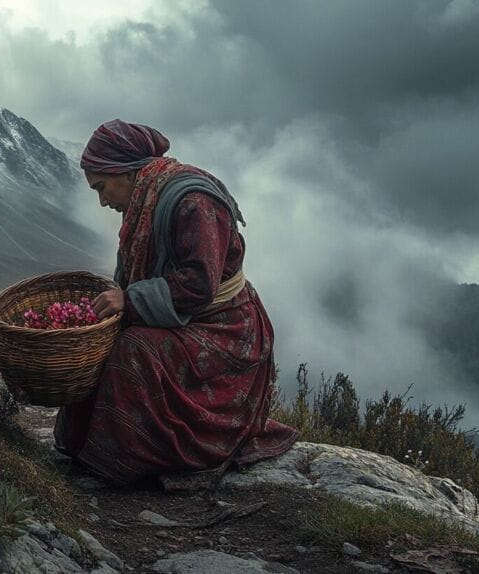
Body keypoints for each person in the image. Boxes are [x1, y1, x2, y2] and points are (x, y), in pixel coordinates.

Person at [54, 119, 299, 485]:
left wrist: (130, 300)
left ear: (127, 172)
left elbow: (199, 284)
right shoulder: (146, 198)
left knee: (134, 351)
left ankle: (136, 459)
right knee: (100, 344)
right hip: (188, 316)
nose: (102, 200)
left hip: (224, 328)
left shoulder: (193, 202)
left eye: (102, 187)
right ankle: (89, 445)